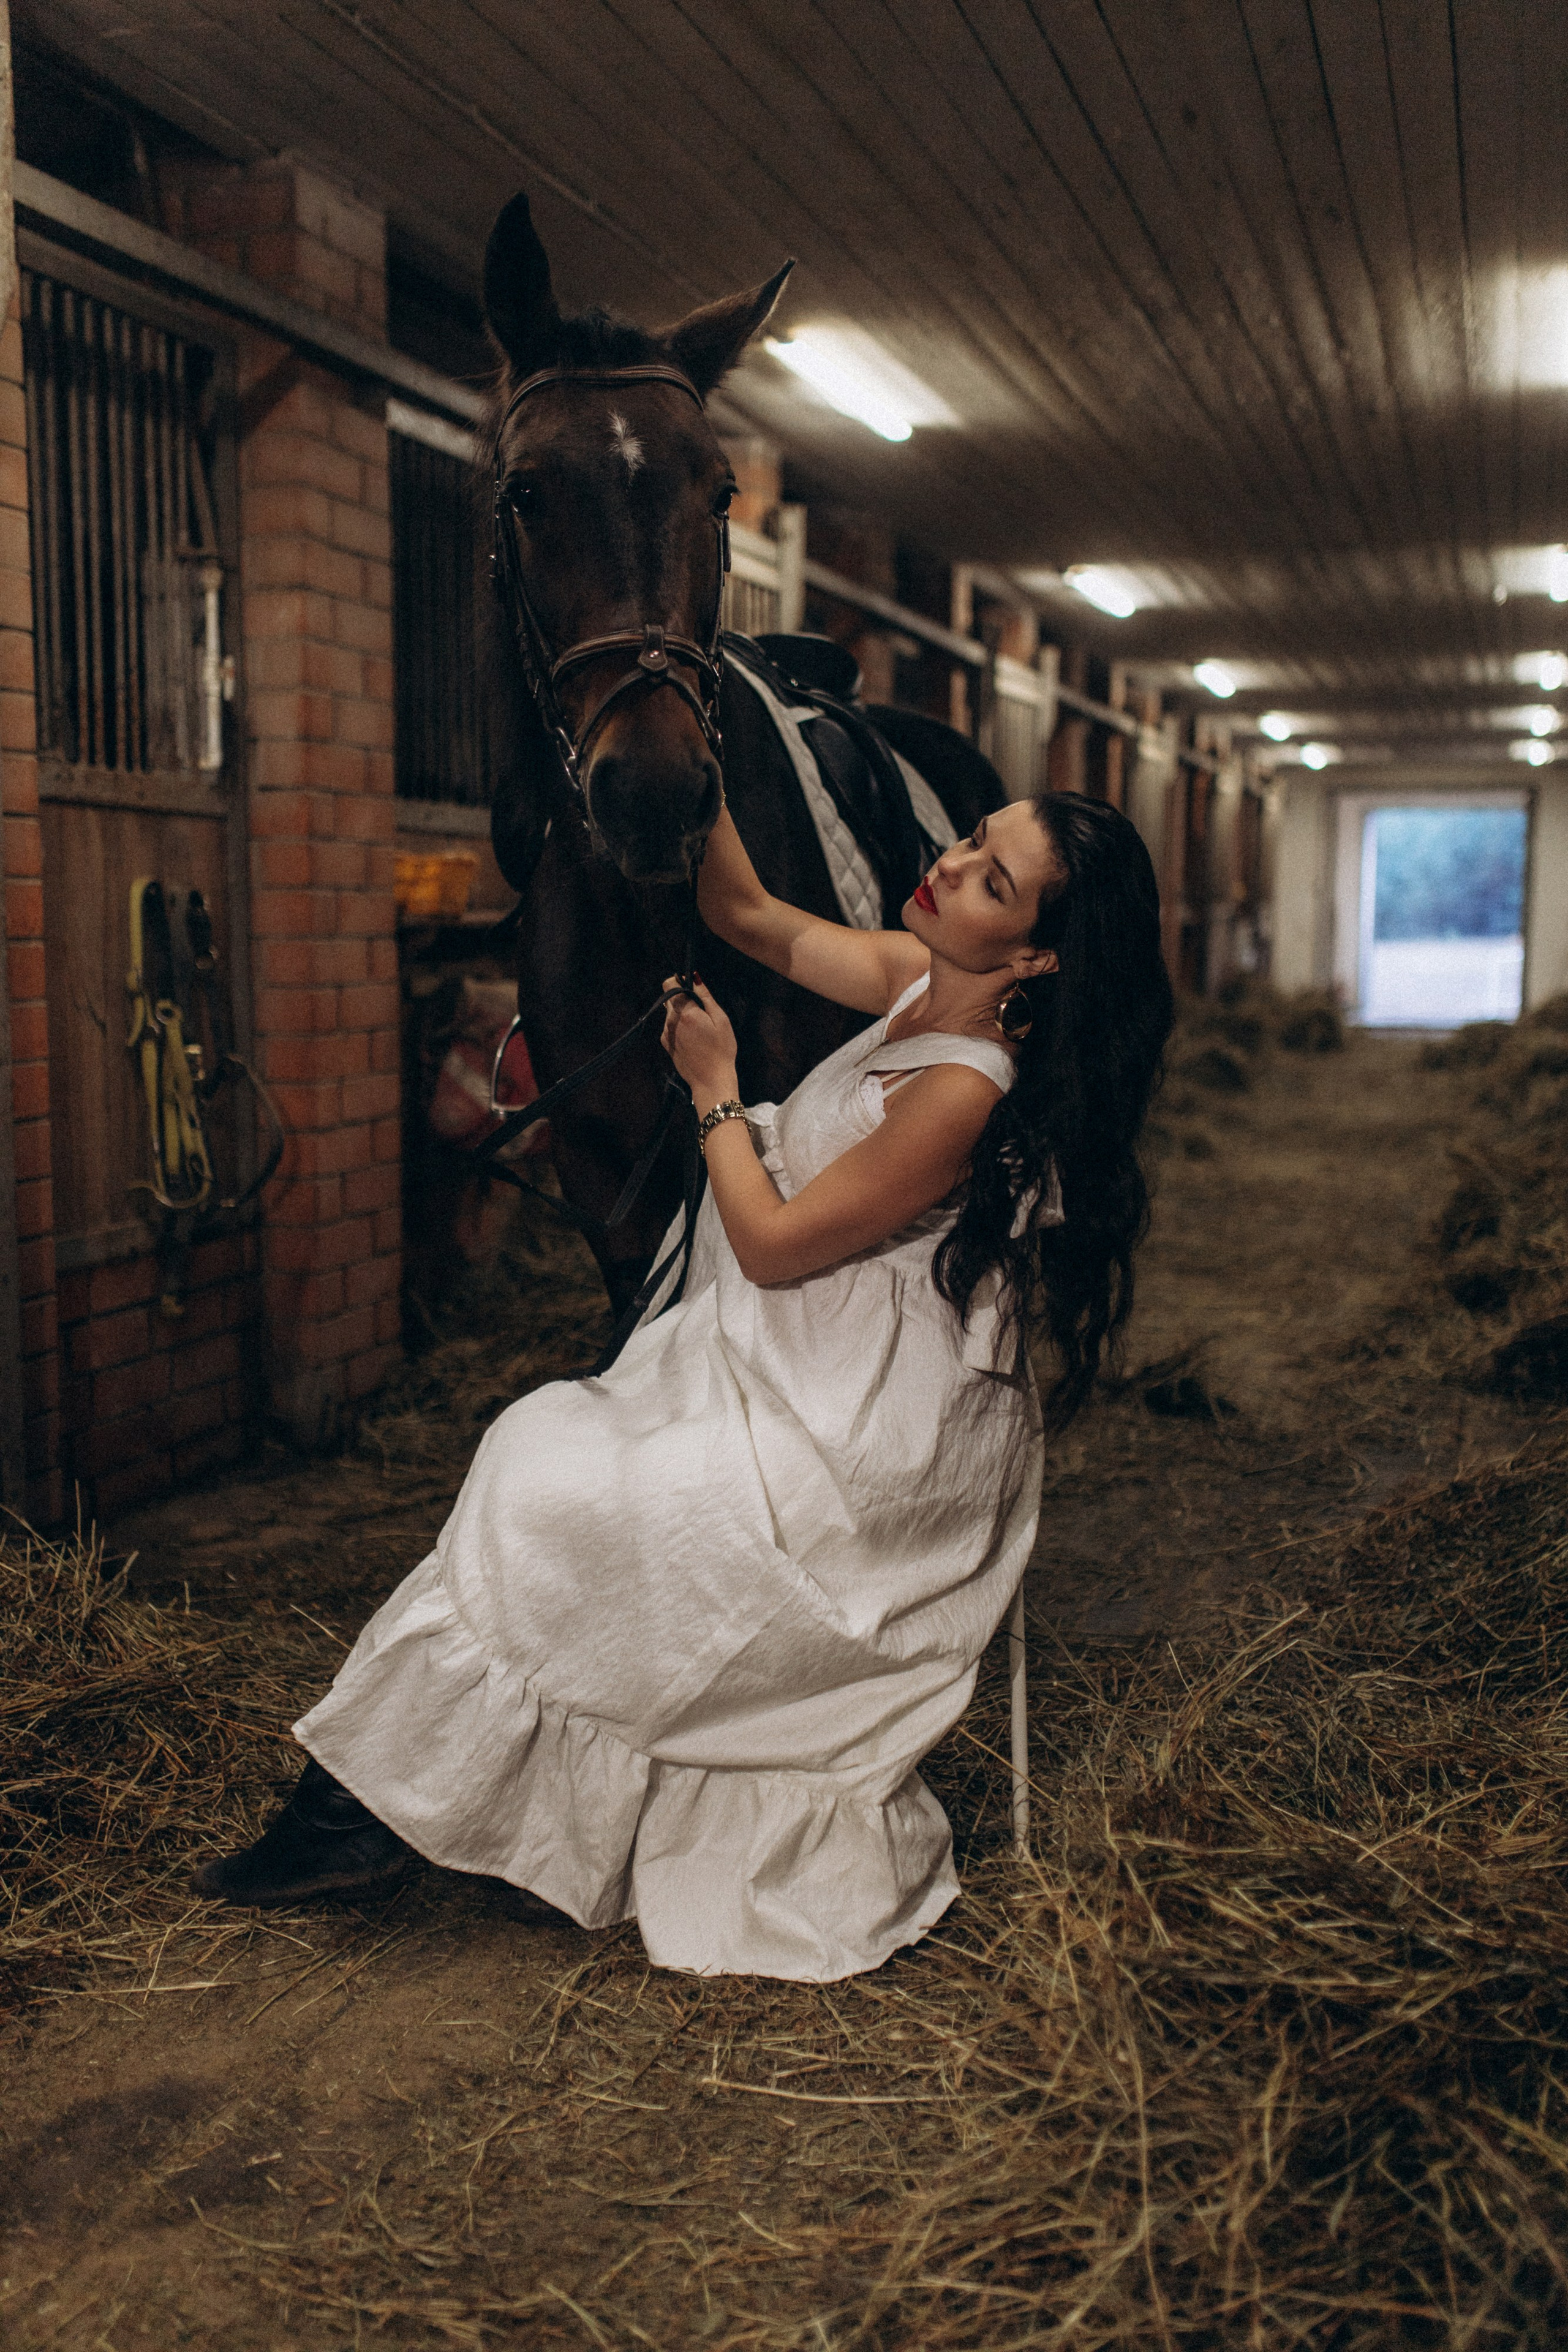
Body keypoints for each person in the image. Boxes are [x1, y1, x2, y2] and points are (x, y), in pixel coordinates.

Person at [195, 791, 1174, 1981]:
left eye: (988, 879)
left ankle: (362, 1818)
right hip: (795, 1362)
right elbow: (747, 911)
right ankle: (360, 1812)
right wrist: (693, 750)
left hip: (861, 1434)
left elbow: (771, 1242)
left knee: (556, 1477)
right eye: (971, 837)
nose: (948, 864)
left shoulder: (966, 1084)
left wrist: (714, 1086)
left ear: (1032, 954)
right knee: (537, 1451)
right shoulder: (916, 978)